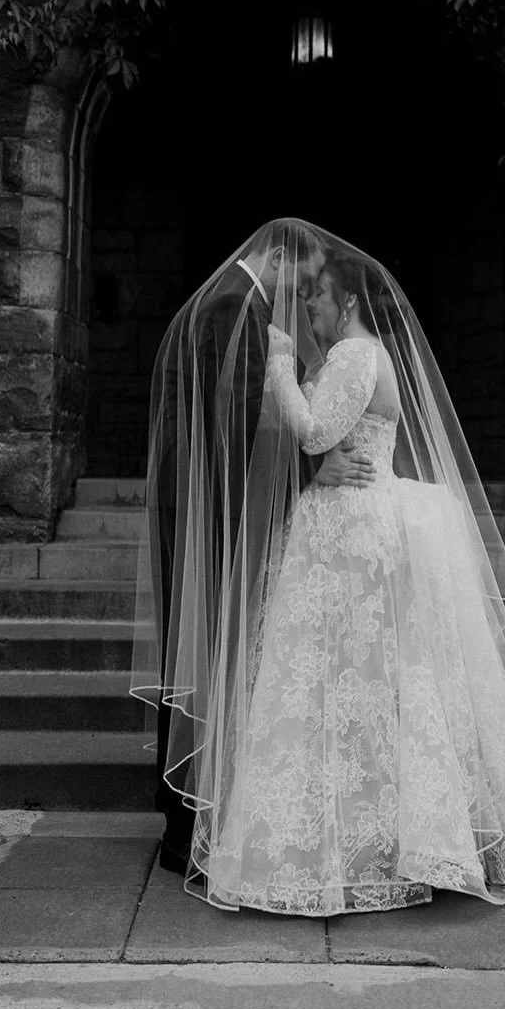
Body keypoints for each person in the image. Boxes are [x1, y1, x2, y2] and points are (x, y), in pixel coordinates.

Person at [132, 219, 377, 874]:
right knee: (204, 651)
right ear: (277, 257)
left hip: (203, 496)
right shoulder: (232, 306)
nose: (303, 294)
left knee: (207, 648)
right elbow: (238, 415)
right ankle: (184, 827)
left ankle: (195, 814)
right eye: (302, 278)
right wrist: (314, 467)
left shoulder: (231, 301)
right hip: (204, 502)